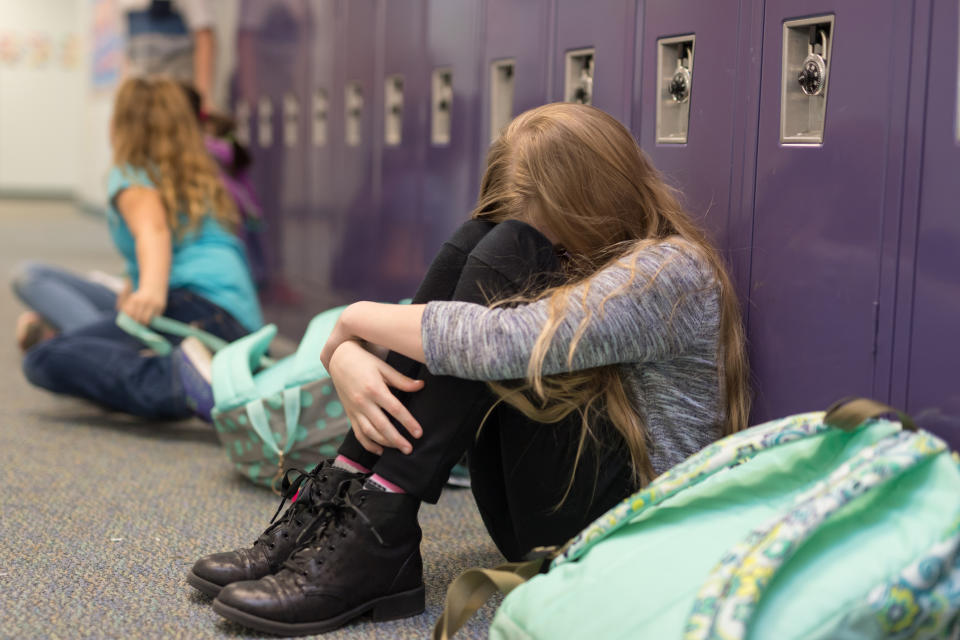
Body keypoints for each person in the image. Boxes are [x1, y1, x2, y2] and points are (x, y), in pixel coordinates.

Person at [188, 103, 750, 636]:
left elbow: (499, 342)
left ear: (596, 207)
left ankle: (376, 521)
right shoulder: (606, 260)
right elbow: (441, 331)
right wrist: (345, 353)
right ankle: (348, 498)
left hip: (625, 533)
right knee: (477, 243)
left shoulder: (669, 272)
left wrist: (350, 324)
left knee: (502, 259)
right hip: (541, 517)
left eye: (557, 239)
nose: (552, 255)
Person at [12, 76, 262, 421]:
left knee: (43, 360)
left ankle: (180, 382)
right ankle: (180, 366)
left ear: (122, 125)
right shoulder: (195, 174)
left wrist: (151, 291)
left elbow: (153, 231)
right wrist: (136, 284)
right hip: (237, 321)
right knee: (47, 289)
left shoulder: (131, 172)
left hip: (192, 305)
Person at [120, 0, 218, 111]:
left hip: (177, 94)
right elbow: (128, 49)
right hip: (141, 93)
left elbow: (204, 38)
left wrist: (203, 98)